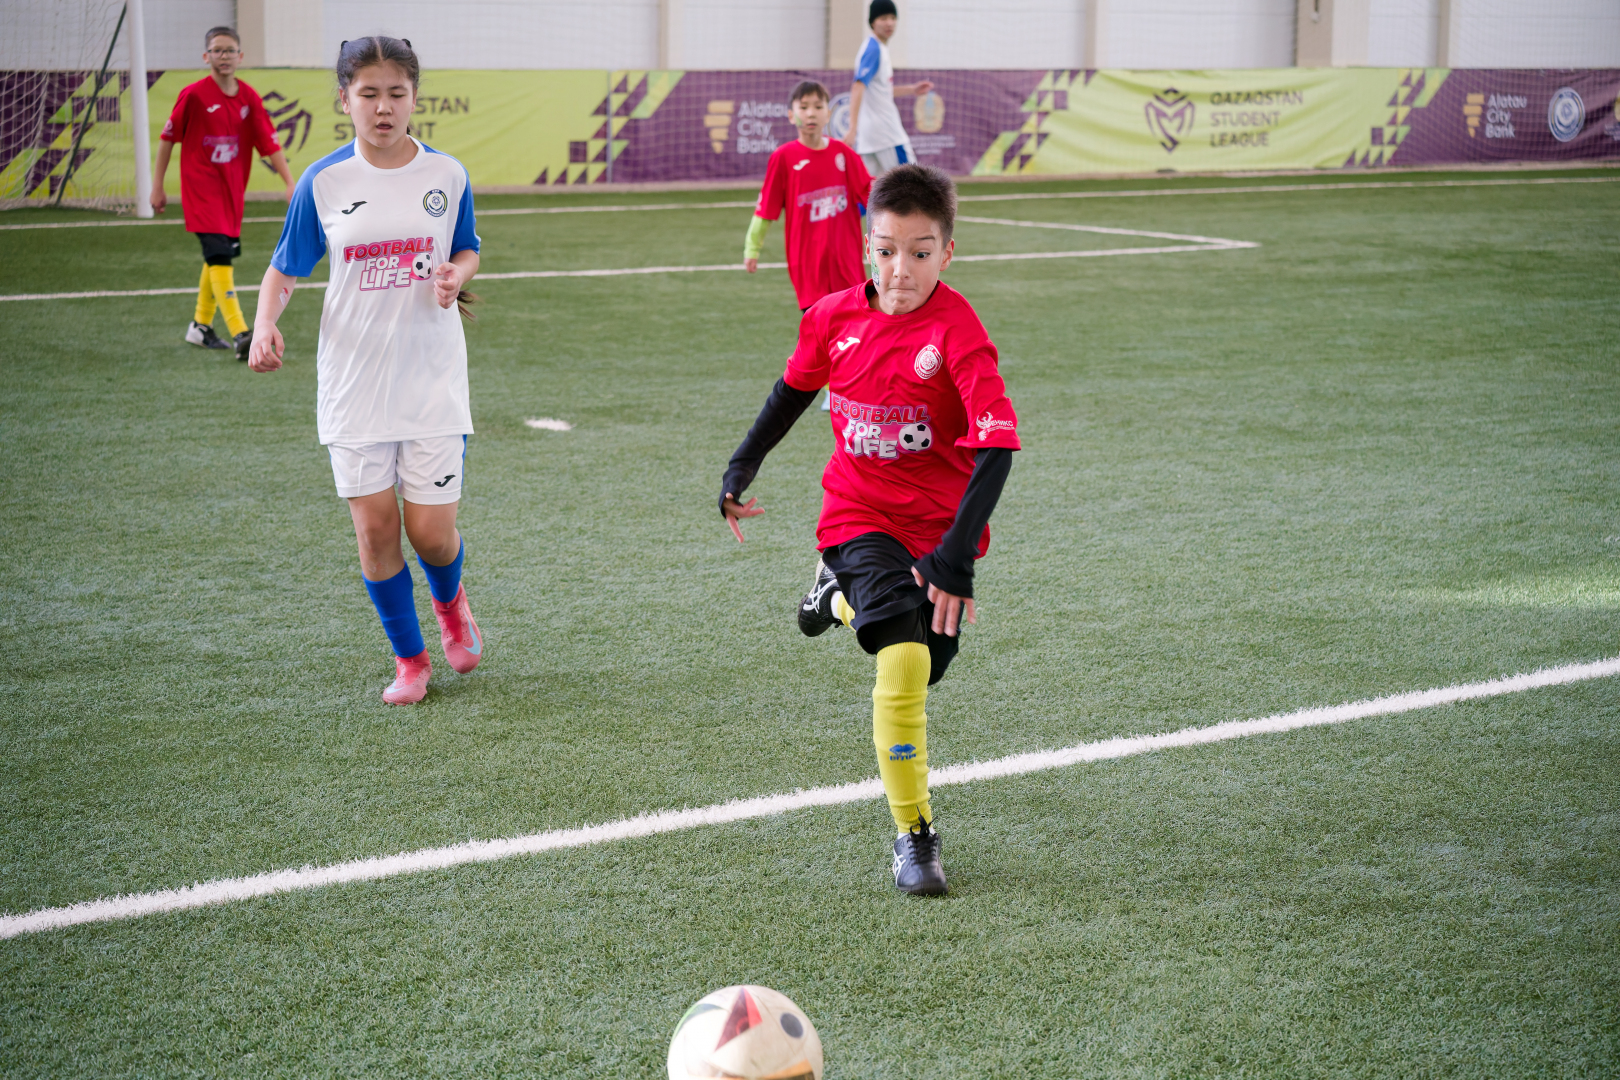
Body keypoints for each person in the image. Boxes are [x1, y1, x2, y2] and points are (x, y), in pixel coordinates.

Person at [720, 164, 1021, 896]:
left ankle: (835, 597)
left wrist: (955, 559)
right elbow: (791, 391)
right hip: (856, 515)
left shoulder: (959, 332)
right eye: (885, 251)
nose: (900, 270)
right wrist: (742, 465)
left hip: (937, 533)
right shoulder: (832, 318)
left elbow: (997, 446)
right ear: (867, 246)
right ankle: (914, 836)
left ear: (947, 253)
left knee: (929, 661)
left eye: (920, 252)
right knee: (905, 662)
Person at [247, 37, 485, 706]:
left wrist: (456, 273)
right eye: (369, 94)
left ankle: (451, 604)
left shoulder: (446, 175)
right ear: (344, 99)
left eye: (396, 94)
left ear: (415, 98)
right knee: (376, 532)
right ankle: (411, 661)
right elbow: (284, 269)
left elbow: (467, 248)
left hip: (431, 379)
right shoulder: (323, 181)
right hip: (353, 385)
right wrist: (264, 325)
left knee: (431, 535)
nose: (384, 108)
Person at [151, 25, 293, 361]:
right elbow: (168, 139)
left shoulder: (249, 98)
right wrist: (157, 186)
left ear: (240, 56)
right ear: (206, 56)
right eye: (217, 50)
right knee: (220, 257)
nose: (223, 56)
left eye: (229, 50)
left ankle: (200, 326)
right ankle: (241, 332)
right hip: (201, 191)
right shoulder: (194, 95)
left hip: (231, 192)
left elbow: (269, 143)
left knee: (216, 257)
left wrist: (290, 182)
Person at [744, 80, 872, 314]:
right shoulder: (783, 157)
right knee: (818, 330)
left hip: (847, 266)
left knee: (855, 332)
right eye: (803, 107)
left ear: (828, 114)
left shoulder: (844, 154)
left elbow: (873, 197)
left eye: (818, 106)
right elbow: (765, 210)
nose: (811, 113)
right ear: (791, 115)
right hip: (808, 269)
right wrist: (752, 249)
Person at [845, 0, 933, 178]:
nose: (889, 23)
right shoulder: (873, 49)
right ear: (872, 22)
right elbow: (858, 86)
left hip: (871, 138)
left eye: (893, 18)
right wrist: (852, 128)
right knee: (913, 184)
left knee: (872, 192)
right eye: (883, 18)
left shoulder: (878, 48)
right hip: (887, 135)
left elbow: (881, 90)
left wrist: (912, 89)